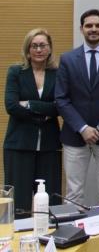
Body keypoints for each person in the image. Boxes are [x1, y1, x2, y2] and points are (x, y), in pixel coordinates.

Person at [55, 9, 99, 205]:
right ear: (81, 29)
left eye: (98, 25)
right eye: (89, 26)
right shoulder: (68, 59)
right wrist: (83, 128)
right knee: (73, 193)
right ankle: (73, 233)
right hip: (74, 135)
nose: (93, 29)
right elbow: (61, 99)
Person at [4, 28, 61, 213]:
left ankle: (49, 237)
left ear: (50, 49)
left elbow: (59, 107)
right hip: (19, 145)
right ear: (28, 50)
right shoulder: (15, 72)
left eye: (43, 45)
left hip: (49, 146)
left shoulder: (57, 74)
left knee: (49, 200)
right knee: (18, 202)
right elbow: (11, 106)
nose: (38, 50)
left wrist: (28, 104)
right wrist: (44, 112)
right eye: (34, 46)